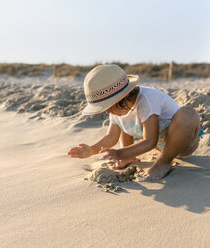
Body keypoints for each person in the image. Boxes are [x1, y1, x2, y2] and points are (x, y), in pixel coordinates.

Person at [67, 64, 201, 179]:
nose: (107, 112)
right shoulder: (116, 109)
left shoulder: (147, 100)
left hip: (183, 142)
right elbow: (111, 137)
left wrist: (119, 153)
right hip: (161, 146)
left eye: (107, 106)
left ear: (123, 97)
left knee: (188, 114)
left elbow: (150, 141)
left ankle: (163, 162)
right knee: (124, 121)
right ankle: (129, 157)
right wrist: (91, 150)